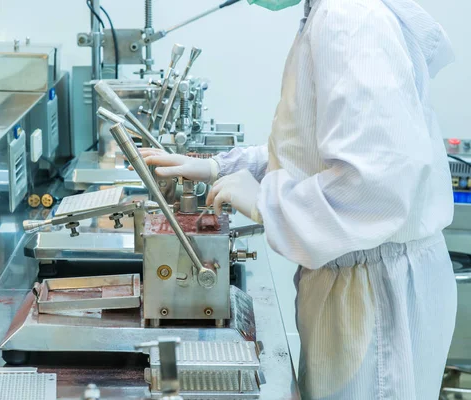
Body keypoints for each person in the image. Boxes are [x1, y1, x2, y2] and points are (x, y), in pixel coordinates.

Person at [140, 0, 457, 398]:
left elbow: (373, 188)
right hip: (358, 282)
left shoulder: (349, 19)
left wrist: (264, 202)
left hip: (373, 297)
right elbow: (313, 148)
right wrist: (221, 166)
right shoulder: (329, 15)